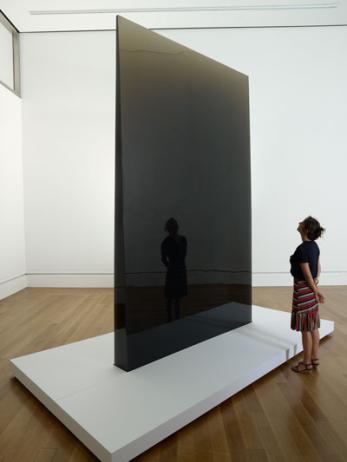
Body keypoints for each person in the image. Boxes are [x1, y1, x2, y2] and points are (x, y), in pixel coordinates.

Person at [290, 216, 325, 372]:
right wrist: (316, 284)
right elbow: (317, 268)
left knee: (306, 329)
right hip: (310, 288)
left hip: (304, 290)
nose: (299, 223)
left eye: (302, 222)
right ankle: (314, 358)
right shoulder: (314, 246)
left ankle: (306, 363)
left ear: (305, 229)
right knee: (313, 327)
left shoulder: (302, 249)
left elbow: (307, 275)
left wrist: (316, 291)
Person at [161, 218, 187, 322]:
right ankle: (170, 318)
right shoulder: (166, 242)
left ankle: (176, 318)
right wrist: (169, 266)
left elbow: (182, 255)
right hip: (174, 270)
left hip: (179, 269)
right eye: (171, 228)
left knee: (177, 297)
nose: (173, 230)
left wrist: (170, 266)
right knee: (171, 296)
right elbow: (163, 258)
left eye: (174, 227)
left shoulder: (182, 240)